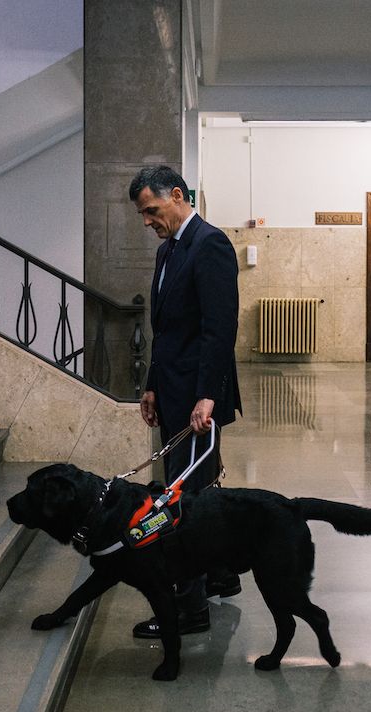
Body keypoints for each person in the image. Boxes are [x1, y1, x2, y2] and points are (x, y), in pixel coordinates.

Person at [128, 165, 243, 639]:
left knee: (181, 502)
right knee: (196, 491)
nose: (148, 221)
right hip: (173, 391)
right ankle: (221, 576)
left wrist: (207, 396)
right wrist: (152, 383)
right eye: (142, 214)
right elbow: (168, 332)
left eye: (152, 210)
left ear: (177, 195)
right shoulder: (167, 252)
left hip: (198, 398)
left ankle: (189, 610)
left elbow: (219, 330)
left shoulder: (209, 244)